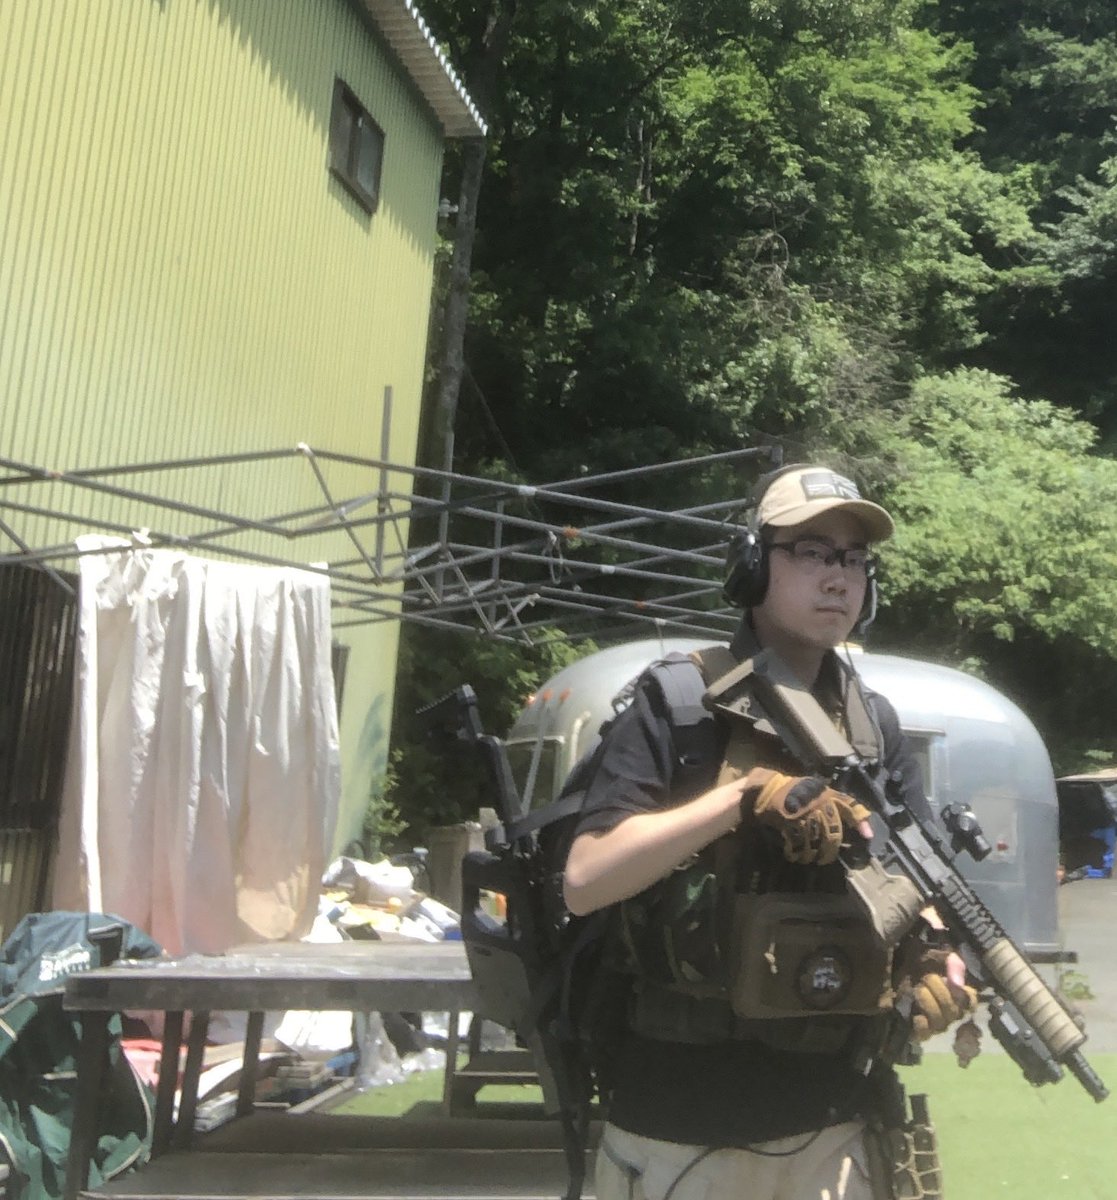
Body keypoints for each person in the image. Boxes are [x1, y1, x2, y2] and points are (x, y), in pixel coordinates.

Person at [563, 463, 974, 1200]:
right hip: (677, 1127)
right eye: (811, 552)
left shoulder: (872, 726)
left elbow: (917, 877)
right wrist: (742, 799)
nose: (838, 577)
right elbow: (586, 879)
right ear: (753, 564)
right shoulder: (680, 702)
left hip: (835, 1125)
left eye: (854, 559)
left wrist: (935, 958)